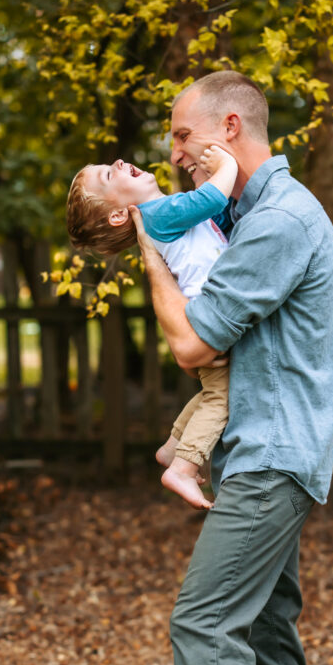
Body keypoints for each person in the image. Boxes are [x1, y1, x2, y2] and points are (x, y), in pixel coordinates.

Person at [102, 70, 333, 665]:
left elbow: (193, 347)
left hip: (274, 451)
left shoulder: (277, 219)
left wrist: (148, 251)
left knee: (203, 621)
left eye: (180, 136)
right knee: (267, 621)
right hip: (266, 446)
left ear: (228, 125)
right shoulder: (248, 210)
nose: (170, 154)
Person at [66, 145, 238, 509]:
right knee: (223, 398)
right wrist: (228, 164)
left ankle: (174, 445)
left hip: (204, 315)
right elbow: (211, 200)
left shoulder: (165, 215)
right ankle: (184, 466)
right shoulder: (158, 213)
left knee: (214, 392)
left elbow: (215, 221)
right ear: (117, 216)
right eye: (108, 175)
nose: (117, 162)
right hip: (208, 319)